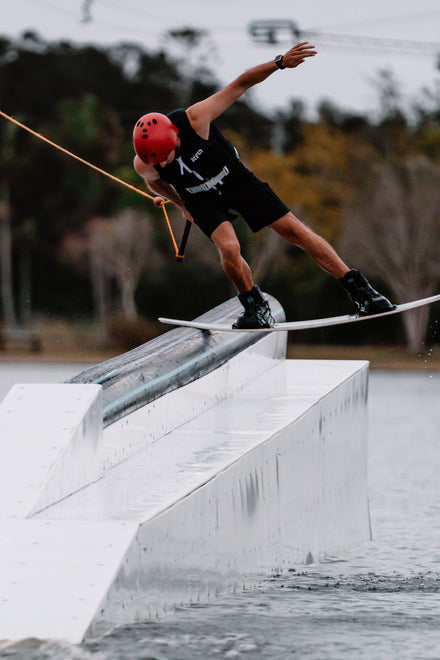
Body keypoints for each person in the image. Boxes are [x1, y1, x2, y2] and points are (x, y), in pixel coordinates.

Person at [133, 41, 394, 328]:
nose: (165, 164)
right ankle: (255, 306)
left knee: (294, 231)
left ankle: (360, 291)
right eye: (159, 162)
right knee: (229, 248)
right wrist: (181, 205)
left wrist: (280, 62)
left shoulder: (196, 119)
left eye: (168, 157)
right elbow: (155, 184)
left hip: (234, 178)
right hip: (199, 198)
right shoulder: (145, 162)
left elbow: (242, 82)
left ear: (175, 139)